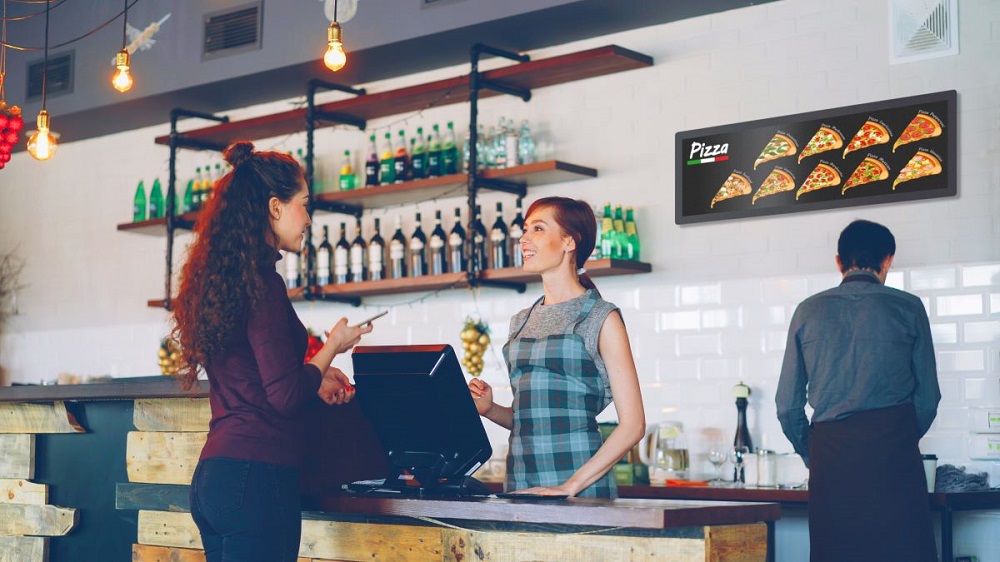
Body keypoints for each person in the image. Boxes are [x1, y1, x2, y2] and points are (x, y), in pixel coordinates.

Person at [171, 140, 372, 562]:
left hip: (216, 477)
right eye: (304, 203)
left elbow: (260, 380)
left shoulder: (226, 282)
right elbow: (282, 396)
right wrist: (332, 347)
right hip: (257, 479)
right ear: (275, 208)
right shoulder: (263, 284)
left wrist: (314, 377)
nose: (309, 218)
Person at [775, 219, 940, 562]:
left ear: (839, 261)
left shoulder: (808, 310)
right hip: (894, 457)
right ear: (888, 260)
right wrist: (899, 437)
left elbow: (787, 407)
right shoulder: (909, 308)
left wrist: (814, 453)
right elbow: (928, 398)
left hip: (832, 461)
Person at [468, 197, 645, 498]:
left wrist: (569, 486)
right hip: (522, 484)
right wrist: (490, 410)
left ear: (568, 242)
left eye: (537, 229)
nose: (524, 239)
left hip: (580, 489)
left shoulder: (601, 317)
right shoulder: (521, 321)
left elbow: (634, 425)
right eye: (525, 230)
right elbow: (534, 419)